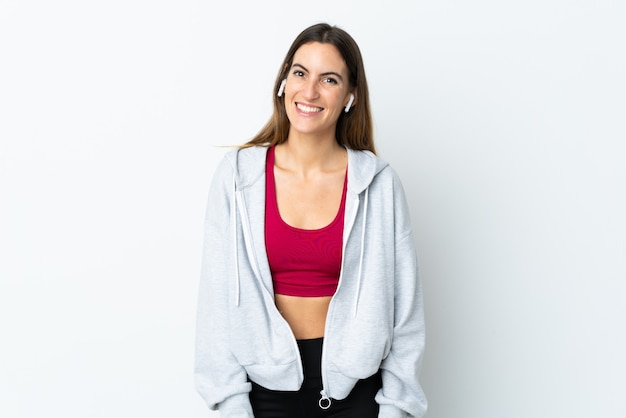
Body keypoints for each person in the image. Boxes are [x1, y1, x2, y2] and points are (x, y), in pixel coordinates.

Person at [195, 23, 427, 418]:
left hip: (357, 394)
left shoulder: (378, 184)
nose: (310, 91)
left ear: (351, 96)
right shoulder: (238, 178)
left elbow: (404, 310)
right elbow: (216, 304)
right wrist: (232, 404)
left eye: (329, 79)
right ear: (284, 80)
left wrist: (397, 408)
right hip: (262, 393)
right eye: (300, 73)